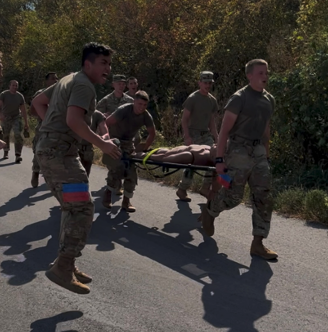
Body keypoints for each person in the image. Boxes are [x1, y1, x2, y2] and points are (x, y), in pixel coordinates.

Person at [32, 42, 121, 294]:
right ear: (88, 64)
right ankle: (63, 266)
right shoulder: (83, 84)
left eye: (109, 63)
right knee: (81, 207)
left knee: (73, 207)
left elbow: (38, 102)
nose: (108, 68)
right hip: (59, 153)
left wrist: (51, 125)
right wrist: (102, 143)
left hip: (53, 150)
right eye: (103, 63)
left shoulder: (69, 79)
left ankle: (66, 263)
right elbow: (73, 120)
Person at [199, 59, 278, 260]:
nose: (264, 76)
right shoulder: (239, 98)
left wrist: (266, 156)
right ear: (249, 75)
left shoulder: (269, 100)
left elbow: (266, 130)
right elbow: (224, 131)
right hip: (238, 149)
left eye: (266, 72)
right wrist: (219, 161)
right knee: (233, 196)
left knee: (264, 196)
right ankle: (210, 210)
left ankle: (258, 243)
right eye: (260, 73)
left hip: (258, 151)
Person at [102, 90, 156, 212]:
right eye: (139, 104)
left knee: (131, 172)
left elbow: (152, 133)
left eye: (144, 105)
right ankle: (108, 194)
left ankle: (126, 202)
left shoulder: (146, 115)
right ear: (134, 102)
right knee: (117, 168)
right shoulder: (124, 110)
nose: (141, 107)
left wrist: (146, 147)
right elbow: (106, 123)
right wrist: (106, 141)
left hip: (128, 143)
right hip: (115, 140)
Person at [176, 71, 219, 202]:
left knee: (214, 159)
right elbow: (184, 119)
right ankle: (182, 189)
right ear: (199, 83)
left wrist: (217, 139)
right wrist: (187, 136)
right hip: (193, 133)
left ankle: (205, 188)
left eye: (209, 83)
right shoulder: (193, 98)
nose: (207, 85)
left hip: (205, 134)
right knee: (193, 162)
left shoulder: (212, 101)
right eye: (205, 82)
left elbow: (212, 122)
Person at [97, 74, 134, 195]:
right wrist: (104, 117)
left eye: (123, 84)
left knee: (124, 161)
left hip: (125, 135)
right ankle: (115, 183)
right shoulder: (106, 100)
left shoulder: (130, 101)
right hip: (111, 136)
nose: (121, 86)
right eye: (119, 83)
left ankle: (115, 183)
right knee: (113, 161)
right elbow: (96, 116)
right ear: (113, 84)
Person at [30, 72, 58, 188]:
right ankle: (35, 172)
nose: (55, 81)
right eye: (52, 79)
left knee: (56, 152)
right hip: (42, 127)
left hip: (57, 128)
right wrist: (44, 116)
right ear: (47, 81)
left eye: (57, 79)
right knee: (38, 150)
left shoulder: (60, 93)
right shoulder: (40, 93)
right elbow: (32, 111)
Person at [0, 80, 28, 163]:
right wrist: (0, 114)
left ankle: (18, 155)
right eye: (13, 85)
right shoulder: (4, 94)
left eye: (16, 85)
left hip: (16, 117)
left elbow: (23, 110)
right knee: (5, 135)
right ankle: (6, 152)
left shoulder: (20, 96)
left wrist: (26, 123)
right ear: (9, 86)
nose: (15, 87)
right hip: (6, 117)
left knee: (18, 134)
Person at [78, 109, 109, 176]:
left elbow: (106, 133)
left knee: (84, 177)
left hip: (87, 151)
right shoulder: (75, 111)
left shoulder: (97, 114)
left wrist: (101, 138)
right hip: (73, 149)